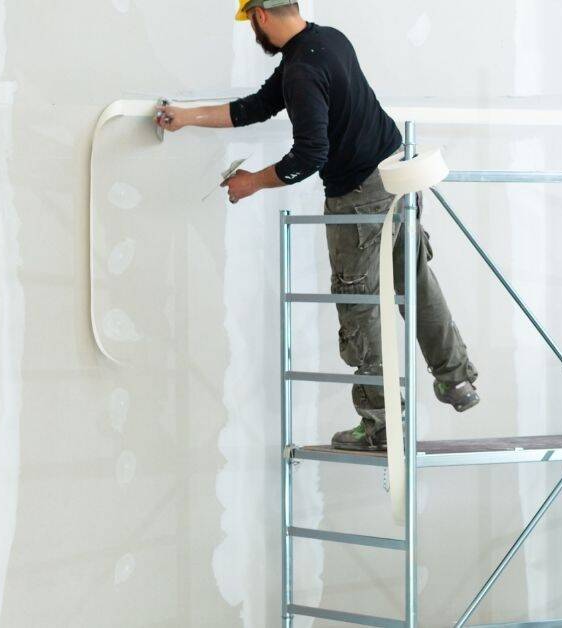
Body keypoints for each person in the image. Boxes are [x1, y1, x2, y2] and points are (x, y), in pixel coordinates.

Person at [156, 0, 478, 450]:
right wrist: (188, 117)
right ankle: (457, 380)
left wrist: (253, 183)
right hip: (398, 174)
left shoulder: (302, 71)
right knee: (414, 280)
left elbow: (310, 155)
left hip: (360, 195)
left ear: (260, 16)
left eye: (251, 22)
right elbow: (257, 106)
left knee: (359, 305)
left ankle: (382, 424)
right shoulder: (327, 41)